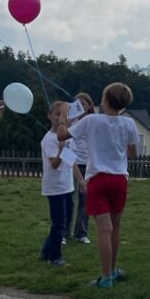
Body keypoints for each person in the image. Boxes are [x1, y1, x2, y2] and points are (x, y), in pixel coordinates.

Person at [56, 82, 139, 288]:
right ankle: (113, 270)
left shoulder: (91, 120)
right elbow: (132, 154)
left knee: (104, 230)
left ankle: (106, 277)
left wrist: (63, 116)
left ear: (105, 100)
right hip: (119, 179)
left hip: (98, 179)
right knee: (115, 227)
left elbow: (61, 135)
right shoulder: (129, 123)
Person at [39, 101, 75, 267]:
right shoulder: (49, 139)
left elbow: (71, 160)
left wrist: (80, 180)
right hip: (55, 187)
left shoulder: (66, 136)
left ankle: (45, 251)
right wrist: (61, 149)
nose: (60, 118)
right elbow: (54, 164)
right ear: (49, 116)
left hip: (67, 185)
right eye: (57, 114)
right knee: (59, 223)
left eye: (63, 114)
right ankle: (55, 257)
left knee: (64, 221)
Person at [65, 91, 94, 245]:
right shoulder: (71, 123)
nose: (80, 107)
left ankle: (81, 233)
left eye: (83, 104)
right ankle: (64, 232)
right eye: (77, 104)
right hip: (71, 163)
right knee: (69, 199)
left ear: (89, 106)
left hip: (87, 164)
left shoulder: (93, 122)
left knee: (85, 200)